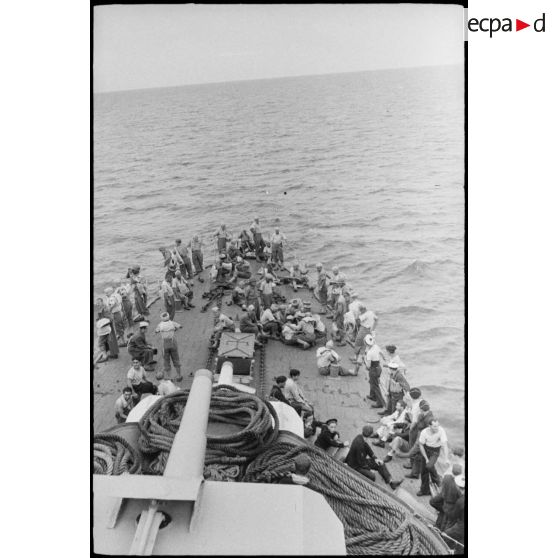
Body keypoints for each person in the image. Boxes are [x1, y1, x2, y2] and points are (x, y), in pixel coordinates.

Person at [345, 425, 403, 491]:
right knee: (372, 476)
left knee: (381, 464)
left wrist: (375, 458)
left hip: (360, 461)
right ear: (370, 435)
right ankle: (367, 489)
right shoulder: (359, 445)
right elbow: (361, 463)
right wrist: (369, 469)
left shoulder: (360, 437)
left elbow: (367, 447)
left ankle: (391, 482)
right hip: (355, 466)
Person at [417, 418, 449, 497]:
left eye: (438, 426)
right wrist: (426, 458)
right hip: (426, 449)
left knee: (429, 466)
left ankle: (437, 479)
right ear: (429, 426)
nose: (437, 428)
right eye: (434, 426)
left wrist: (446, 458)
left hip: (435, 451)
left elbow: (445, 445)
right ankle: (424, 490)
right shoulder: (424, 432)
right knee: (423, 471)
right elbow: (421, 445)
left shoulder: (441, 431)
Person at [429, 464, 463, 531]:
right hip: (452, 507)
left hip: (444, 502)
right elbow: (460, 497)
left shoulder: (446, 477)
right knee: (447, 524)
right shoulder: (458, 485)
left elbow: (443, 490)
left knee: (441, 515)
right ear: (460, 473)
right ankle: (441, 534)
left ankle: (436, 527)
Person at [154, 312, 183, 381]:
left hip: (165, 343)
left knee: (166, 361)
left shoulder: (160, 325)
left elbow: (156, 331)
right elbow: (180, 326)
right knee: (176, 359)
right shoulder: (172, 323)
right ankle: (179, 376)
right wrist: (174, 329)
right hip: (172, 342)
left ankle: (170, 377)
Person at [362, 334, 386, 409]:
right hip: (378, 367)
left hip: (373, 369)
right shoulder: (376, 346)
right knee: (372, 382)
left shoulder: (369, 353)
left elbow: (368, 366)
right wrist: (384, 358)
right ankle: (372, 396)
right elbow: (382, 354)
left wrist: (365, 361)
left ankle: (380, 403)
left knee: (375, 386)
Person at [444, 475, 465, 553]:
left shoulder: (461, 501)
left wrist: (445, 510)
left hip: (462, 526)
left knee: (445, 535)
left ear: (459, 487)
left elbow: (453, 516)